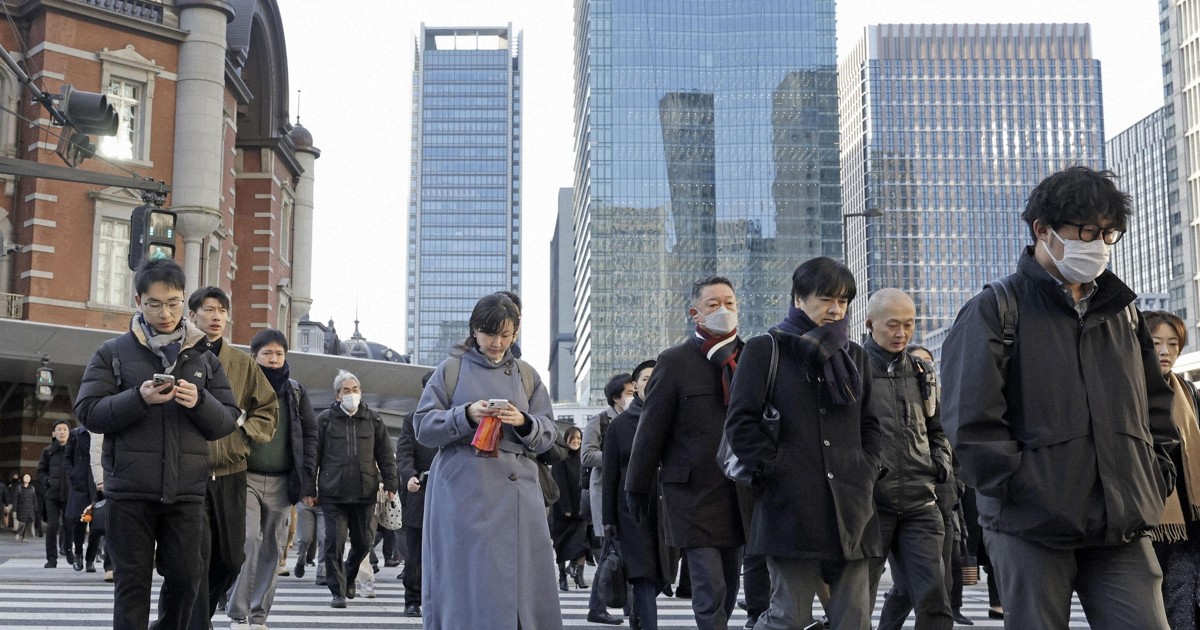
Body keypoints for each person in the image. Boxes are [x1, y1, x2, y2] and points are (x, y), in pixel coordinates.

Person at [941, 166, 1179, 629]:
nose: (1098, 245)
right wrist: (1018, 487)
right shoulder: (995, 309)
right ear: (1042, 231)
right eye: (1087, 232)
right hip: (1030, 526)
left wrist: (1154, 476)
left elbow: (1155, 408)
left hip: (1119, 521)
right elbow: (970, 424)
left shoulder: (1123, 313)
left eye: (1108, 234)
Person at [74, 258, 239, 630]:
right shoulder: (112, 352)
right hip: (129, 491)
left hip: (186, 491)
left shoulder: (203, 358)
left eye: (174, 302)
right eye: (155, 303)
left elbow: (226, 421)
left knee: (185, 579)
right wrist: (138, 397)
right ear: (138, 301)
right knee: (132, 584)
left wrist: (199, 401)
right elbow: (88, 411)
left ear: (184, 302)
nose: (165, 313)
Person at [724, 257, 882, 630]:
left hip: (851, 506)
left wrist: (868, 468)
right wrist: (775, 469)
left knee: (854, 621)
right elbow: (741, 423)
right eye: (826, 298)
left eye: (843, 301)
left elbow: (872, 424)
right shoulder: (766, 348)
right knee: (788, 618)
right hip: (790, 507)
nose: (835, 309)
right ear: (798, 298)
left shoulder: (855, 355)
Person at [414, 292, 563, 629]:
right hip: (462, 488)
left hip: (518, 491)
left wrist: (522, 421)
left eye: (506, 334)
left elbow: (548, 432)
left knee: (524, 579)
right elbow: (423, 427)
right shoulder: (449, 370)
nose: (497, 343)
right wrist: (466, 413)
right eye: (489, 333)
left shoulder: (527, 374)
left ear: (516, 332)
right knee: (463, 576)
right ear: (474, 330)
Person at [625, 276, 748, 630]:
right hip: (692, 494)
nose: (723, 310)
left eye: (729, 302)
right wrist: (637, 485)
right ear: (695, 313)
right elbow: (651, 430)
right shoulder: (675, 361)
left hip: (739, 492)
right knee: (709, 587)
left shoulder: (751, 357)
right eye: (713, 304)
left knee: (729, 583)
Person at [857, 288, 954, 630]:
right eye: (892, 325)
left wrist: (939, 464)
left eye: (909, 325)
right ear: (870, 324)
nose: (902, 333)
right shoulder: (852, 369)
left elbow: (938, 430)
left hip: (920, 504)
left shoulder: (923, 372)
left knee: (936, 603)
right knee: (856, 606)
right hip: (870, 507)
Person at [185, 286, 279, 630]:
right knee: (197, 559)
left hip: (232, 472)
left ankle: (189, 619)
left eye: (222, 311)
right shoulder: (179, 357)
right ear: (192, 314)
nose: (215, 317)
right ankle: (198, 625)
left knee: (231, 558)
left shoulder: (242, 363)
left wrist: (242, 433)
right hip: (190, 474)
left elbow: (268, 409)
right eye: (208, 310)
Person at [226, 329, 318, 630]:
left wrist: (307, 482)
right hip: (245, 476)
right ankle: (238, 613)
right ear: (255, 356)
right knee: (249, 540)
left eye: (279, 354)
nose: (273, 359)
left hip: (282, 481)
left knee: (273, 549)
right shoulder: (241, 386)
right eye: (267, 353)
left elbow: (309, 435)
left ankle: (258, 616)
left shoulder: (296, 392)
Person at [877, 344, 973, 628]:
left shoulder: (929, 387)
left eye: (926, 364)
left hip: (931, 499)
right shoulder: (867, 372)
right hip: (880, 500)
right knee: (903, 586)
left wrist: (945, 473)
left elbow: (942, 433)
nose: (920, 367)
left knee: (933, 589)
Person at [310, 369, 398, 609]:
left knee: (364, 542)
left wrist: (391, 482)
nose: (351, 394)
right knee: (334, 542)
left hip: (365, 490)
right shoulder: (325, 420)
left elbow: (385, 454)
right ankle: (337, 592)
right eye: (346, 391)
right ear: (337, 395)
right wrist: (309, 487)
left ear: (361, 392)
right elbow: (313, 456)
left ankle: (349, 575)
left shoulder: (374, 419)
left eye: (355, 390)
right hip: (333, 492)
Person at [1145, 310, 1200, 628]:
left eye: (1173, 343)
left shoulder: (1187, 391)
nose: (1166, 352)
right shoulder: (1127, 391)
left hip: (1187, 522)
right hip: (1148, 518)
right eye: (1155, 343)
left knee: (1183, 605)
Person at [603, 359, 665, 630]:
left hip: (666, 507)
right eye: (644, 378)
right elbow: (609, 476)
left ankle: (639, 611)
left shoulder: (672, 418)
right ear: (635, 386)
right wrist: (608, 520)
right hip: (631, 510)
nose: (650, 382)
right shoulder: (619, 426)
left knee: (662, 575)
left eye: (656, 376)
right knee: (643, 575)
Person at [581, 373, 636, 623]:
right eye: (629, 393)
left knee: (627, 551)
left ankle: (628, 607)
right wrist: (616, 456)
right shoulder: (600, 421)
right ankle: (598, 607)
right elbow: (587, 455)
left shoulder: (637, 419)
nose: (632, 397)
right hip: (605, 494)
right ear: (616, 397)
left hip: (629, 493)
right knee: (609, 551)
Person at [394, 371, 437, 618]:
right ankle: (412, 599)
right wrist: (409, 474)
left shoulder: (458, 417)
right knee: (416, 552)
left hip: (450, 494)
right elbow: (404, 452)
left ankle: (445, 598)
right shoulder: (412, 419)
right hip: (420, 490)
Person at [551, 426, 591, 591]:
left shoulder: (584, 458)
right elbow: (559, 484)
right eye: (573, 439)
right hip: (563, 510)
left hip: (581, 509)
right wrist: (566, 507)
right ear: (566, 440)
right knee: (562, 544)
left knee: (582, 544)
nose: (576, 442)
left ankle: (579, 574)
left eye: (579, 439)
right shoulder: (561, 458)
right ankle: (562, 576)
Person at [63, 425, 101, 573]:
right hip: (79, 484)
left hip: (97, 483)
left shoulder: (103, 431)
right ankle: (78, 553)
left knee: (96, 524)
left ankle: (90, 559)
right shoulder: (76, 434)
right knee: (78, 521)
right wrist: (72, 475)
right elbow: (67, 457)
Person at [35, 419, 73, 569]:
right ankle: (51, 558)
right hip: (52, 495)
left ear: (69, 433)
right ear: (54, 433)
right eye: (59, 429)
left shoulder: (74, 450)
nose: (62, 432)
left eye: (64, 429)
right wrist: (47, 481)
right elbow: (40, 470)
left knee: (69, 525)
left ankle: (69, 550)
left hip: (70, 494)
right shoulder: (48, 451)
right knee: (52, 526)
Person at [14, 473, 37, 542]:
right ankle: (19, 533)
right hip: (21, 508)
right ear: (23, 478)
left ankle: (24, 537)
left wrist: (36, 508)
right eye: (25, 477)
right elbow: (15, 499)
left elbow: (34, 499)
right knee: (22, 522)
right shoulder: (19, 488)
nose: (27, 478)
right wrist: (14, 509)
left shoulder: (32, 488)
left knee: (27, 523)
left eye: (28, 477)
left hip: (30, 508)